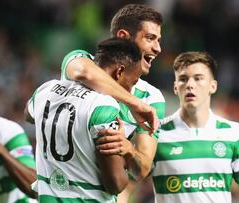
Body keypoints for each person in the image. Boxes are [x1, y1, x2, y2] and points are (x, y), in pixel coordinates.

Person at [25, 38, 143, 202]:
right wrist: (127, 149)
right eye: (133, 82)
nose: (131, 90)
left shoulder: (46, 89)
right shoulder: (104, 107)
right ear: (119, 72)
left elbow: (28, 115)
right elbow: (116, 183)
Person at [61, 3, 165, 182]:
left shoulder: (152, 98)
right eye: (150, 38)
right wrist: (135, 103)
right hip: (58, 186)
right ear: (123, 37)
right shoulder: (81, 60)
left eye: (158, 40)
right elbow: (84, 72)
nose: (158, 48)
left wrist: (129, 150)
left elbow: (141, 170)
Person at [152, 51, 239, 202]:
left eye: (198, 78)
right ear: (175, 87)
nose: (190, 85)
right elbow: (129, 183)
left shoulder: (232, 132)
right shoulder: (157, 131)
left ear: (213, 86)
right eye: (183, 79)